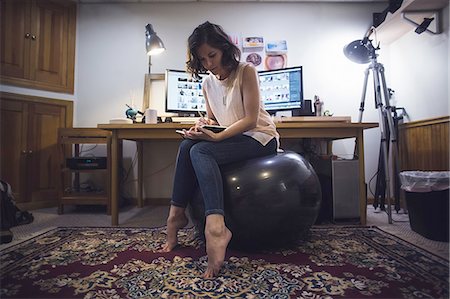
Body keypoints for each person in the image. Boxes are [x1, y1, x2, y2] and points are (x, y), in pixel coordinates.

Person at [159, 21, 280, 278]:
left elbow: (249, 119)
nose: (209, 63)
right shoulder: (208, 83)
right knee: (188, 143)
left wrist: (218, 138)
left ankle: (216, 227)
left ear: (224, 49)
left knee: (199, 151)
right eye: (202, 59)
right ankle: (176, 214)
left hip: (260, 137)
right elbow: (214, 117)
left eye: (212, 55)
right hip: (232, 138)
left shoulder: (246, 71)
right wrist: (203, 125)